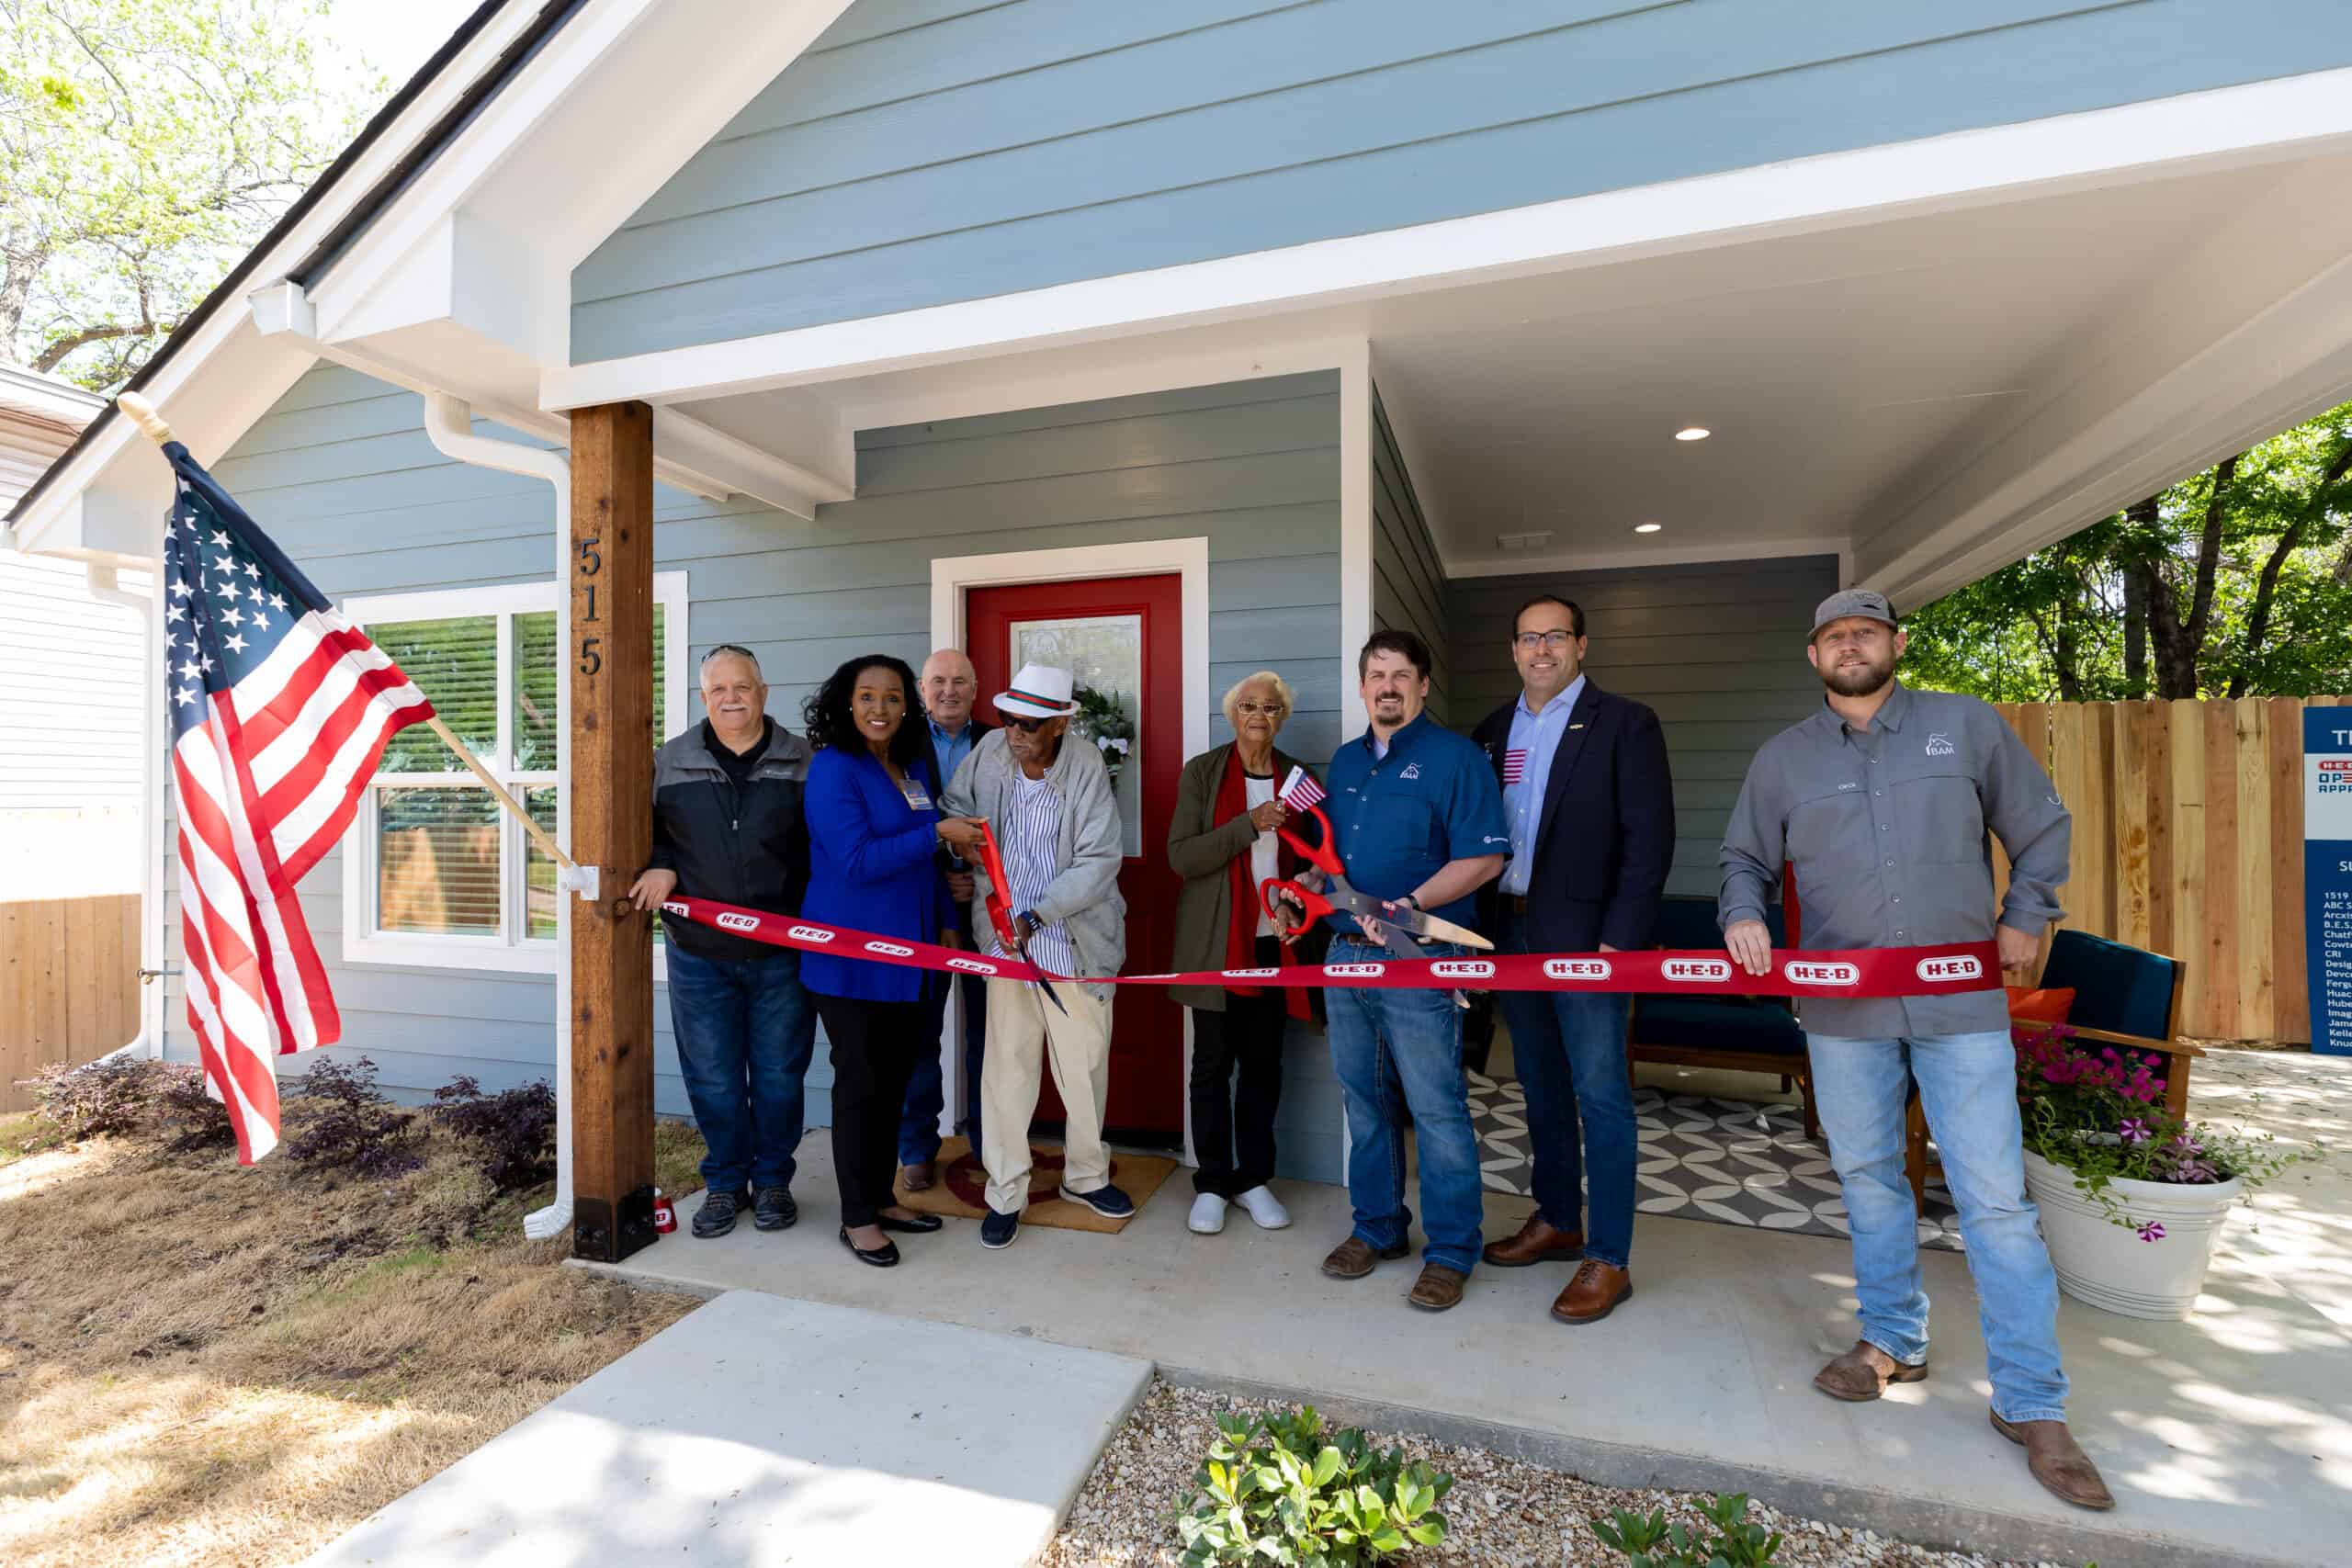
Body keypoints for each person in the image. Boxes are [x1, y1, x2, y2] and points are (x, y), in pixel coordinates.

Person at [1719, 589, 2110, 1511]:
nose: (1848, 647)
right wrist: (1742, 913)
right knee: (1865, 1176)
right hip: (1842, 1012)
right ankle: (1891, 1341)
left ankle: (2032, 1405)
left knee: (1993, 1201)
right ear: (1812, 656)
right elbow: (1743, 858)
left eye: (1864, 632)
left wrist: (2025, 915)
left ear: (1893, 643)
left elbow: (2039, 825)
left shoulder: (1964, 727)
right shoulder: (1783, 760)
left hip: (1959, 1003)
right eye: (1831, 637)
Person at [1276, 630, 1510, 1312]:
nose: (1387, 686)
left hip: (1422, 956)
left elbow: (1484, 859)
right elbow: (1333, 863)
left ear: (1423, 686)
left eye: (1401, 675)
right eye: (1376, 674)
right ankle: (1377, 1228)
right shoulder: (1345, 765)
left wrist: (1408, 907)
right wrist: (1306, 890)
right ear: (1361, 686)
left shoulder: (1456, 759)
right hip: (1346, 954)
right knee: (1364, 1103)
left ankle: (1450, 1250)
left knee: (1437, 1109)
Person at [1472, 594, 1674, 1324]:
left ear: (1581, 645)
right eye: (1528, 637)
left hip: (1590, 943)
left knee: (1601, 1093)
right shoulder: (1493, 732)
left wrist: (1619, 942)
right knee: (1539, 1084)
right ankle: (1559, 1217)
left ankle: (1610, 1256)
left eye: (1556, 636)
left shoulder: (1625, 723)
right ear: (1514, 649)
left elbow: (1648, 841)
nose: (1542, 649)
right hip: (1512, 935)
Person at [798, 654, 988, 1267]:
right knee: (860, 1084)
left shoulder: (907, 768)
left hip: (913, 953)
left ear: (909, 706)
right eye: (867, 696)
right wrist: (937, 834)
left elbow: (926, 863)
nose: (880, 708)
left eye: (892, 697)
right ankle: (856, 1217)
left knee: (894, 1082)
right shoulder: (833, 768)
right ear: (845, 704)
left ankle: (881, 1196)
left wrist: (949, 925)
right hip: (851, 958)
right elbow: (856, 858)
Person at [628, 645, 818, 1239]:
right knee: (712, 1075)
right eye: (719, 689)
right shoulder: (669, 762)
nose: (731, 697)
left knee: (781, 1073)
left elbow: (825, 845)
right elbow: (647, 832)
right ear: (703, 697)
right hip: (699, 954)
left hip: (782, 953)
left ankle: (774, 1182)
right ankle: (725, 1184)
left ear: (764, 692)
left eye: (743, 686)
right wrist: (660, 863)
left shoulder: (804, 761)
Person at [943, 661, 1130, 1250]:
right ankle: (1005, 1189)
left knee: (1083, 1068)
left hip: (1071, 942)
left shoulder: (1085, 765)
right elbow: (952, 807)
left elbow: (1100, 861)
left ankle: (1086, 1176)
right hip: (1003, 943)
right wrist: (966, 851)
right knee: (1007, 1070)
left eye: (1027, 723)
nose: (1013, 732)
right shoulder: (992, 752)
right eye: (1007, 719)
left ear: (1057, 726)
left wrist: (1035, 915)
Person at [1167, 671, 1315, 1236]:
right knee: (1211, 1066)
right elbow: (1183, 857)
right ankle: (1212, 1181)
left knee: (1262, 1065)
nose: (1259, 715)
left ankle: (1253, 1178)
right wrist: (1248, 825)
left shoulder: (1298, 778)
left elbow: (1312, 859)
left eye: (1271, 707)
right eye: (1249, 705)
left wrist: (1298, 905)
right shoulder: (1203, 773)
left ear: (1283, 717)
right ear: (1233, 714)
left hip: (1273, 942)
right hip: (1214, 942)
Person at [898, 649, 992, 1191]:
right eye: (938, 681)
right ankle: (916, 1148)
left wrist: (975, 880)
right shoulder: (900, 746)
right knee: (919, 1036)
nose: (949, 690)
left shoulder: (1000, 743)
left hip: (990, 910)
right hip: (922, 909)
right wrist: (942, 880)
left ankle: (987, 1144)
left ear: (976, 688)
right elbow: (893, 822)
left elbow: (1017, 820)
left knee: (990, 1034)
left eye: (960, 680)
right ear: (921, 687)